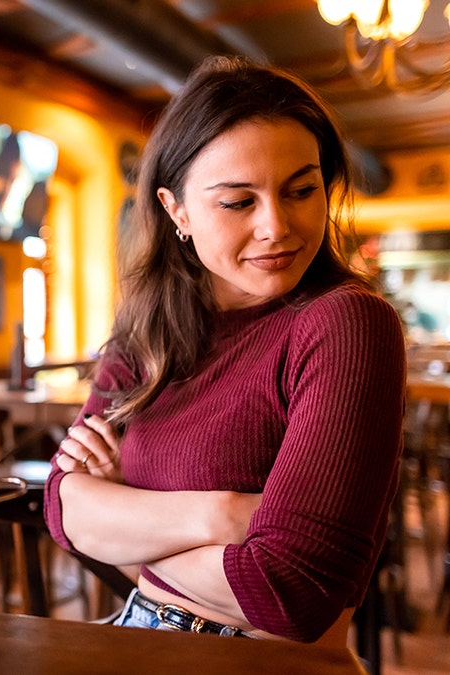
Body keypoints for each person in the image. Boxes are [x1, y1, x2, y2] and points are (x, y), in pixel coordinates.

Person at [44, 56, 405, 645]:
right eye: (239, 202)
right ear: (176, 210)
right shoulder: (148, 331)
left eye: (301, 190)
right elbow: (61, 511)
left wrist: (123, 515)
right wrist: (224, 516)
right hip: (134, 636)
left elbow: (293, 592)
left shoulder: (346, 322)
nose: (277, 226)